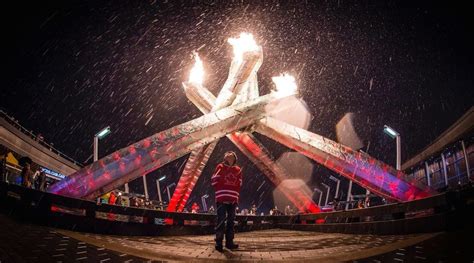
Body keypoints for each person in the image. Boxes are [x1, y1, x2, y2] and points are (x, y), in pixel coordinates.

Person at [211, 151, 242, 252]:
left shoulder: (238, 169)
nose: (229, 155)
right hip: (222, 198)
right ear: (225, 157)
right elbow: (214, 180)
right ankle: (219, 243)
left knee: (231, 221)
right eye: (227, 154)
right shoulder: (220, 166)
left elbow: (239, 183)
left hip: (232, 199)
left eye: (231, 154)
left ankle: (229, 242)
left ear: (234, 158)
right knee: (221, 221)